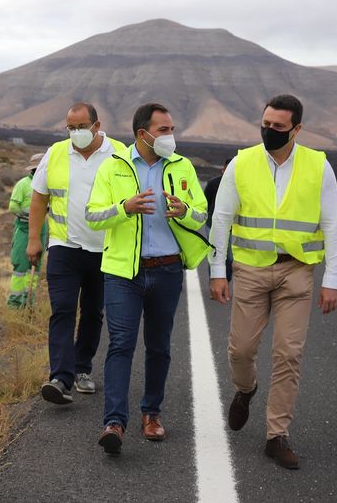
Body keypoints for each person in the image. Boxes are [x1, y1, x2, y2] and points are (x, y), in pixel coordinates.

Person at [208, 94, 337, 469]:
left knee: (288, 353)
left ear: (297, 129)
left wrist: (333, 278)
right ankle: (245, 389)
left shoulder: (319, 166)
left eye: (278, 127)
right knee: (241, 351)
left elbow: (334, 224)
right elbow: (221, 218)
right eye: (265, 124)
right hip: (250, 269)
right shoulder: (242, 162)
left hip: (297, 270)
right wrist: (217, 270)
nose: (269, 131)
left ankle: (276, 434)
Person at [86, 102, 212, 455]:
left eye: (172, 129)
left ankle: (152, 414)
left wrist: (185, 211)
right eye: (164, 130)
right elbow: (93, 216)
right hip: (123, 273)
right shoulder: (113, 168)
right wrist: (124, 209)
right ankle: (114, 422)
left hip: (168, 270)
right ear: (143, 134)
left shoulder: (183, 166)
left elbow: (201, 214)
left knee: (159, 346)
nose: (171, 136)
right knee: (121, 345)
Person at [27, 102, 125, 404]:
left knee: (94, 312)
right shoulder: (56, 153)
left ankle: (82, 368)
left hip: (105, 249)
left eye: (81, 127)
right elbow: (38, 198)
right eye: (70, 127)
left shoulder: (119, 152)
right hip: (63, 246)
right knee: (63, 310)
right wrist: (34, 240)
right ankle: (60, 378)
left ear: (97, 125)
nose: (76, 133)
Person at [7, 152, 47, 308]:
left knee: (35, 266)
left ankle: (29, 301)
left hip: (42, 227)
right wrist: (29, 216)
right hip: (23, 229)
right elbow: (13, 207)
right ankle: (15, 304)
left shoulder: (48, 185)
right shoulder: (23, 184)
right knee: (21, 265)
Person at [204, 158, 233, 281]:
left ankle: (226, 280)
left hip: (232, 228)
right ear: (223, 169)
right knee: (215, 255)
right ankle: (214, 281)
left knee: (229, 257)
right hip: (212, 225)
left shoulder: (239, 185)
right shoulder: (213, 184)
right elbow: (206, 202)